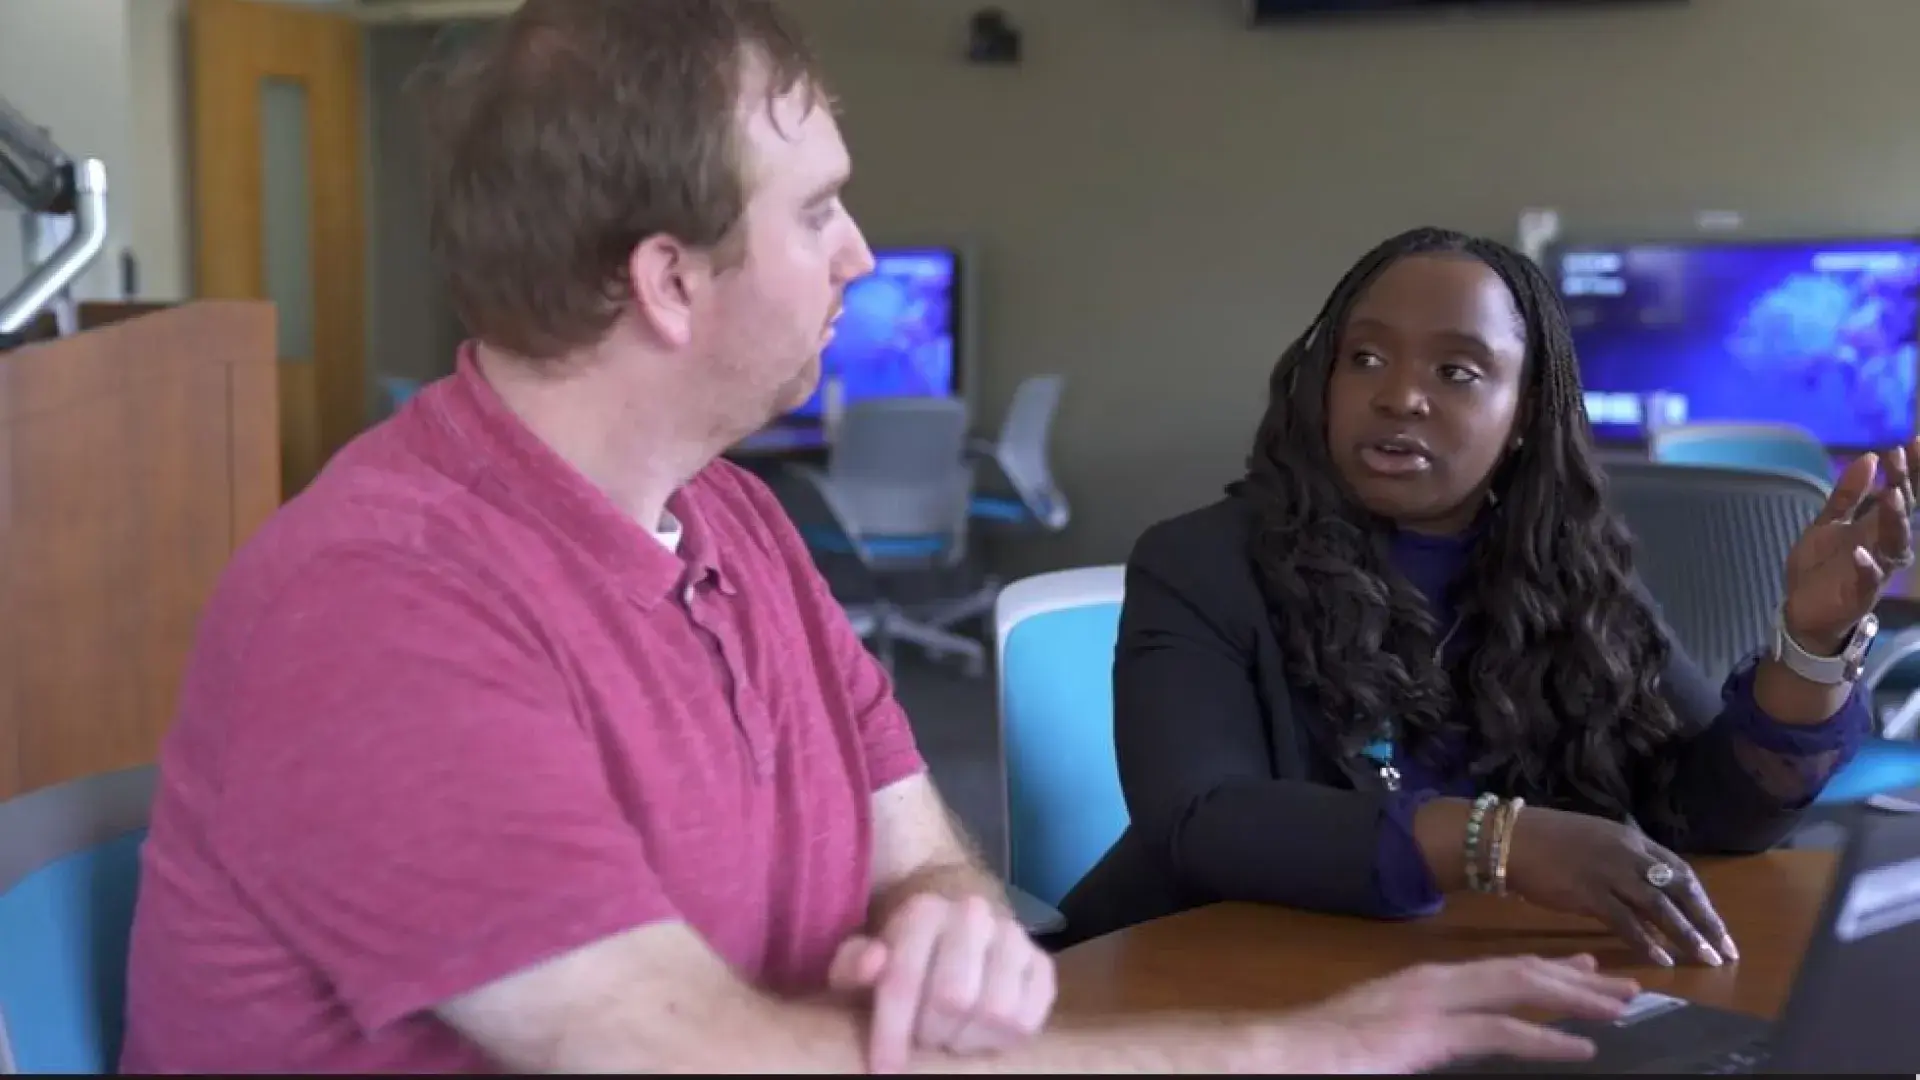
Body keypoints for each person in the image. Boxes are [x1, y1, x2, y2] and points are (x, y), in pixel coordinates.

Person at [117, 6, 1641, 1074]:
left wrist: (955, 929)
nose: (859, 253)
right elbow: (685, 1056)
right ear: (667, 280)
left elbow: (922, 855)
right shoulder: (383, 604)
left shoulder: (734, 519)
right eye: (820, 211)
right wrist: (1288, 1052)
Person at [1058, 226, 1911, 961]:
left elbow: (1712, 813)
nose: (1397, 396)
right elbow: (1202, 821)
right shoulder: (1200, 562)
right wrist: (1498, 842)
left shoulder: (1569, 572)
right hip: (1203, 991)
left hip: (1458, 983)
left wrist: (1812, 644)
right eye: (1364, 358)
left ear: (1524, 411)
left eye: (1458, 372)